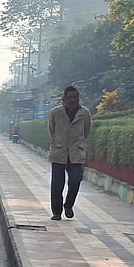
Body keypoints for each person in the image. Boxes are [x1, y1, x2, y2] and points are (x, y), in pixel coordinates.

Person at [47, 85, 91, 220]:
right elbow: (51, 131)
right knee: (56, 185)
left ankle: (68, 205)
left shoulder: (85, 113)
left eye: (75, 97)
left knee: (75, 181)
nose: (72, 100)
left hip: (76, 153)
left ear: (78, 98)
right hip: (59, 152)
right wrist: (59, 143)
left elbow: (86, 131)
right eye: (69, 97)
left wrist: (78, 144)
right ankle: (56, 212)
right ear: (64, 99)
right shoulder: (55, 113)